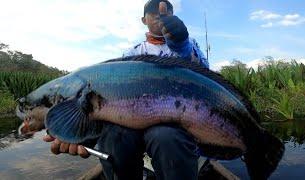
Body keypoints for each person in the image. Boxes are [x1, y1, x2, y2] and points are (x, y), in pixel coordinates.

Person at [43, 0, 209, 179]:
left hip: (177, 124)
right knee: (114, 136)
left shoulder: (188, 43)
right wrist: (80, 129)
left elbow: (205, 77)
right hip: (133, 122)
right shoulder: (132, 53)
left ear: (174, 17)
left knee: (166, 137)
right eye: (152, 13)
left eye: (165, 13)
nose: (159, 16)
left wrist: (182, 45)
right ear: (143, 20)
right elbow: (111, 96)